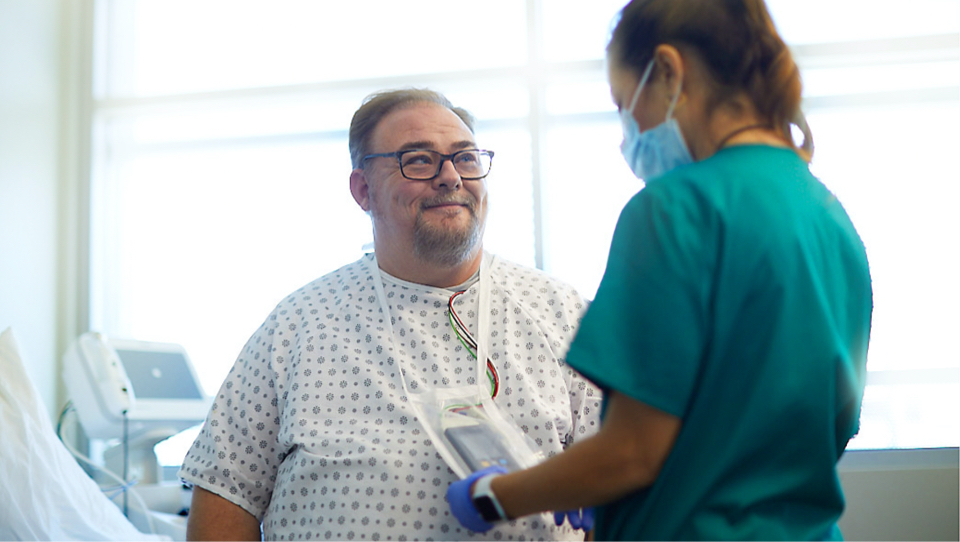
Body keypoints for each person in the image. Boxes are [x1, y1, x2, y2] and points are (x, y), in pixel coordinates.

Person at [447, 0, 873, 539]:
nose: (629, 131)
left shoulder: (676, 208)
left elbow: (629, 455)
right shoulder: (829, 217)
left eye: (625, 103)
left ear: (669, 73)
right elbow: (793, 433)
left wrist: (492, 496)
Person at [179, 88, 601, 540]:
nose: (450, 177)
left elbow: (624, 474)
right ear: (363, 190)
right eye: (418, 160)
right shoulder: (298, 325)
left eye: (466, 158)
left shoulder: (562, 314)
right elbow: (226, 491)